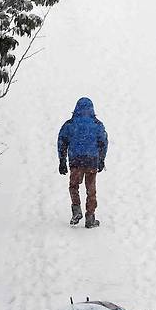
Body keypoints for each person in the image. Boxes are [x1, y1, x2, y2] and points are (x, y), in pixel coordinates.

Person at [57, 97, 108, 228]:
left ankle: (76, 210)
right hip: (92, 161)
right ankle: (90, 218)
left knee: (74, 186)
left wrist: (62, 160)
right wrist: (101, 159)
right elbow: (103, 142)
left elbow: (62, 141)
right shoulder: (97, 124)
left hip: (76, 160)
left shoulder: (70, 124)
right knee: (91, 190)